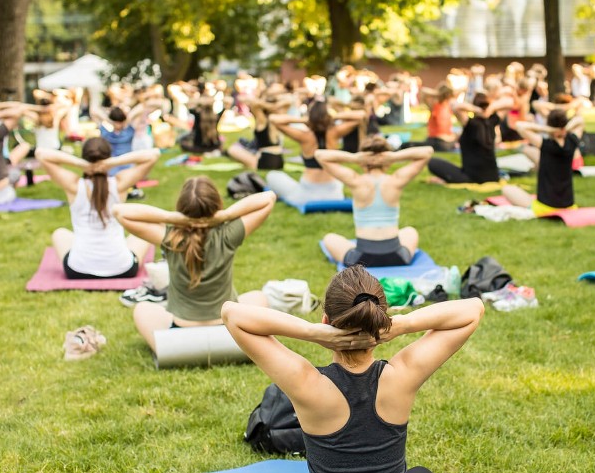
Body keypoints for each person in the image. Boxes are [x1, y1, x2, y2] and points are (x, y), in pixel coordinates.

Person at [220, 265, 485, 473]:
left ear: (326, 322)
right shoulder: (402, 374)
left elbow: (232, 314)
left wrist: (312, 332)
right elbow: (473, 309)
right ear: (380, 320)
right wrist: (401, 324)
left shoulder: (307, 383)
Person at [112, 178, 276, 352]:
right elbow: (268, 198)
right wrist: (225, 215)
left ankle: (172, 350)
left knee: (142, 309)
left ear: (182, 209)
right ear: (216, 206)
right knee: (258, 297)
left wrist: (172, 218)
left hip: (181, 329)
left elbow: (119, 211)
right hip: (228, 328)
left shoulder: (171, 238)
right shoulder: (228, 234)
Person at [35, 140, 160, 279]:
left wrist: (80, 164)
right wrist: (113, 162)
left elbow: (41, 153)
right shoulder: (119, 184)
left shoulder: (74, 185)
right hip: (122, 268)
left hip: (77, 270)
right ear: (108, 157)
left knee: (59, 234)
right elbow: (154, 154)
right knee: (143, 234)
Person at [315, 138, 432, 267]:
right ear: (387, 161)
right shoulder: (397, 180)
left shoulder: (355, 181)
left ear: (363, 162)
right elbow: (428, 151)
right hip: (397, 256)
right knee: (410, 231)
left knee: (329, 238)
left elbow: (320, 155)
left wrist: (354, 158)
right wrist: (394, 157)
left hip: (360, 259)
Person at [266, 98, 364, 205]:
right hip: (335, 194)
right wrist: (330, 118)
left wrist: (306, 119)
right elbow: (361, 115)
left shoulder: (304, 136)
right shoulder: (335, 133)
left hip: (307, 195)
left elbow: (273, 119)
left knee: (272, 175)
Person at [501, 109, 584, 217]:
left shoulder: (546, 144)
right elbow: (580, 120)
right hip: (568, 205)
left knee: (507, 189)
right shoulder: (572, 141)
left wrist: (547, 129)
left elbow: (519, 126)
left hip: (545, 207)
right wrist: (565, 128)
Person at [426, 92, 513, 184]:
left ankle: (446, 180)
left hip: (472, 177)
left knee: (432, 162)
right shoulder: (492, 121)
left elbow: (456, 107)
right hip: (493, 176)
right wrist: (491, 108)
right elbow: (509, 102)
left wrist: (477, 109)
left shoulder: (471, 123)